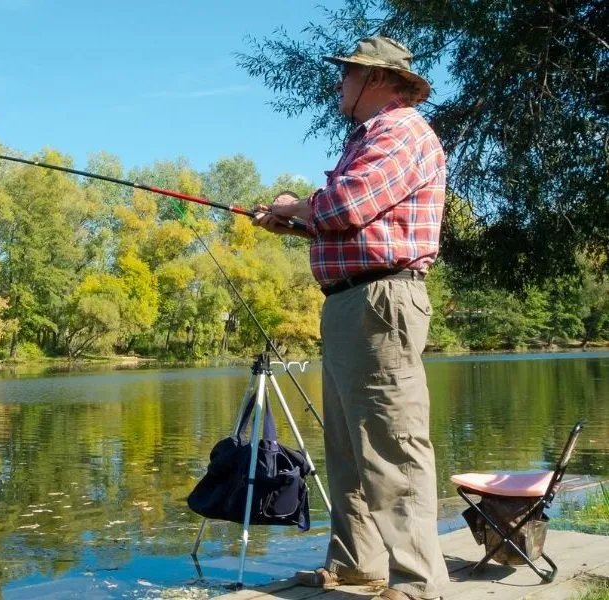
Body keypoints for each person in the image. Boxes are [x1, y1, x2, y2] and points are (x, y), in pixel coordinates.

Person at [252, 36, 448, 600]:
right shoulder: (369, 137)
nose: (338, 83)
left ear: (377, 79)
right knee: (347, 444)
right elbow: (346, 220)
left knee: (393, 443)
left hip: (380, 301)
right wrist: (291, 223)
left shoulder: (400, 130)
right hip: (351, 302)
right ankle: (358, 564)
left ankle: (417, 583)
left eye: (347, 73)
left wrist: (296, 205)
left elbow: (348, 204)